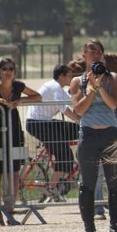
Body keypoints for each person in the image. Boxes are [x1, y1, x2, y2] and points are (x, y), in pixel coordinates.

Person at [0, 58, 41, 226]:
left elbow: (38, 96)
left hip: (13, 131)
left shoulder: (18, 86)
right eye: (4, 68)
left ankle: (10, 210)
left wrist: (20, 101)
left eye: (11, 68)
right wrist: (0, 101)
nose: (8, 71)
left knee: (14, 173)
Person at [70, 39, 117, 232]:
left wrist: (100, 85)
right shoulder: (77, 81)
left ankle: (114, 228)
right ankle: (90, 230)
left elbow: (112, 104)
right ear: (84, 55)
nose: (96, 55)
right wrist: (91, 88)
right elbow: (80, 109)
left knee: (114, 182)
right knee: (88, 183)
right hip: (89, 134)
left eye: (99, 52)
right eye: (91, 52)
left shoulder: (113, 78)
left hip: (110, 134)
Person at [25, 64, 79, 200]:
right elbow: (65, 109)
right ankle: (51, 187)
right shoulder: (54, 87)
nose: (71, 78)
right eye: (69, 75)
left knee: (78, 130)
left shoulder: (59, 88)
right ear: (61, 76)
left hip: (45, 122)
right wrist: (80, 120)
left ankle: (58, 165)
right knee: (65, 154)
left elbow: (72, 103)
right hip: (38, 124)